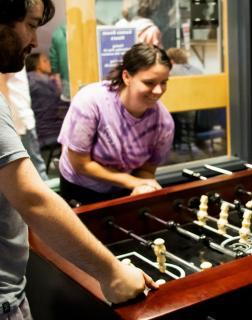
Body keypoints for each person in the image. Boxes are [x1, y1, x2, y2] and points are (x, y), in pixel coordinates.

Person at [0, 1, 157, 318]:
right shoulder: (90, 101)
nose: (34, 41)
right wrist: (113, 274)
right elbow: (32, 197)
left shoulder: (161, 119)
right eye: (30, 25)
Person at [58, 43, 174, 206]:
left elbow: (147, 170)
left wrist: (147, 186)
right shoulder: (91, 102)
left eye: (164, 82)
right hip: (80, 187)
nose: (158, 90)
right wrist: (132, 182)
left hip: (122, 187)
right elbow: (80, 164)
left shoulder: (164, 123)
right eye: (149, 83)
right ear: (126, 77)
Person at [0, 67, 49, 181]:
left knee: (32, 168)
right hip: (19, 120)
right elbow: (2, 85)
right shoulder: (9, 54)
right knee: (36, 169)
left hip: (21, 118)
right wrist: (10, 121)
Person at [25, 52, 68, 149]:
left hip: (42, 131)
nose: (49, 63)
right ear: (36, 65)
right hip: (50, 131)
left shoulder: (34, 81)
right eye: (45, 61)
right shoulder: (35, 82)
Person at [49, 23, 70, 99]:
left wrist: (56, 74)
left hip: (66, 79)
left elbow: (53, 58)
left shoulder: (57, 33)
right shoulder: (87, 29)